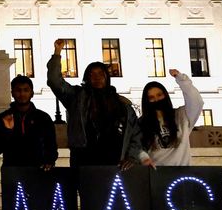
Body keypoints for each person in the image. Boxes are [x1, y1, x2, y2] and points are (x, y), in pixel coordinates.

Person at [48, 39, 151, 169]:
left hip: (115, 161)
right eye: (92, 74)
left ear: (107, 77)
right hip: (84, 160)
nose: (97, 78)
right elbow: (54, 81)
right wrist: (57, 53)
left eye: (101, 74)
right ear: (87, 78)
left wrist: (132, 157)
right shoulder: (76, 97)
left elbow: (135, 134)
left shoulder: (122, 105)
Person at [0, 75, 58, 170]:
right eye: (18, 90)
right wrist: (7, 131)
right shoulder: (3, 117)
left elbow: (51, 144)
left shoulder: (43, 118)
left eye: (26, 90)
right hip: (12, 171)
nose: (22, 94)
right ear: (12, 93)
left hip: (39, 170)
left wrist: (50, 161)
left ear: (32, 93)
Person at [140, 69, 204, 166]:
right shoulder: (141, 123)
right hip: (155, 175)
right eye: (151, 97)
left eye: (159, 95)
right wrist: (143, 158)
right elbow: (137, 147)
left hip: (181, 174)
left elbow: (196, 102)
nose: (156, 99)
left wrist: (181, 79)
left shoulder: (182, 116)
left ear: (165, 95)